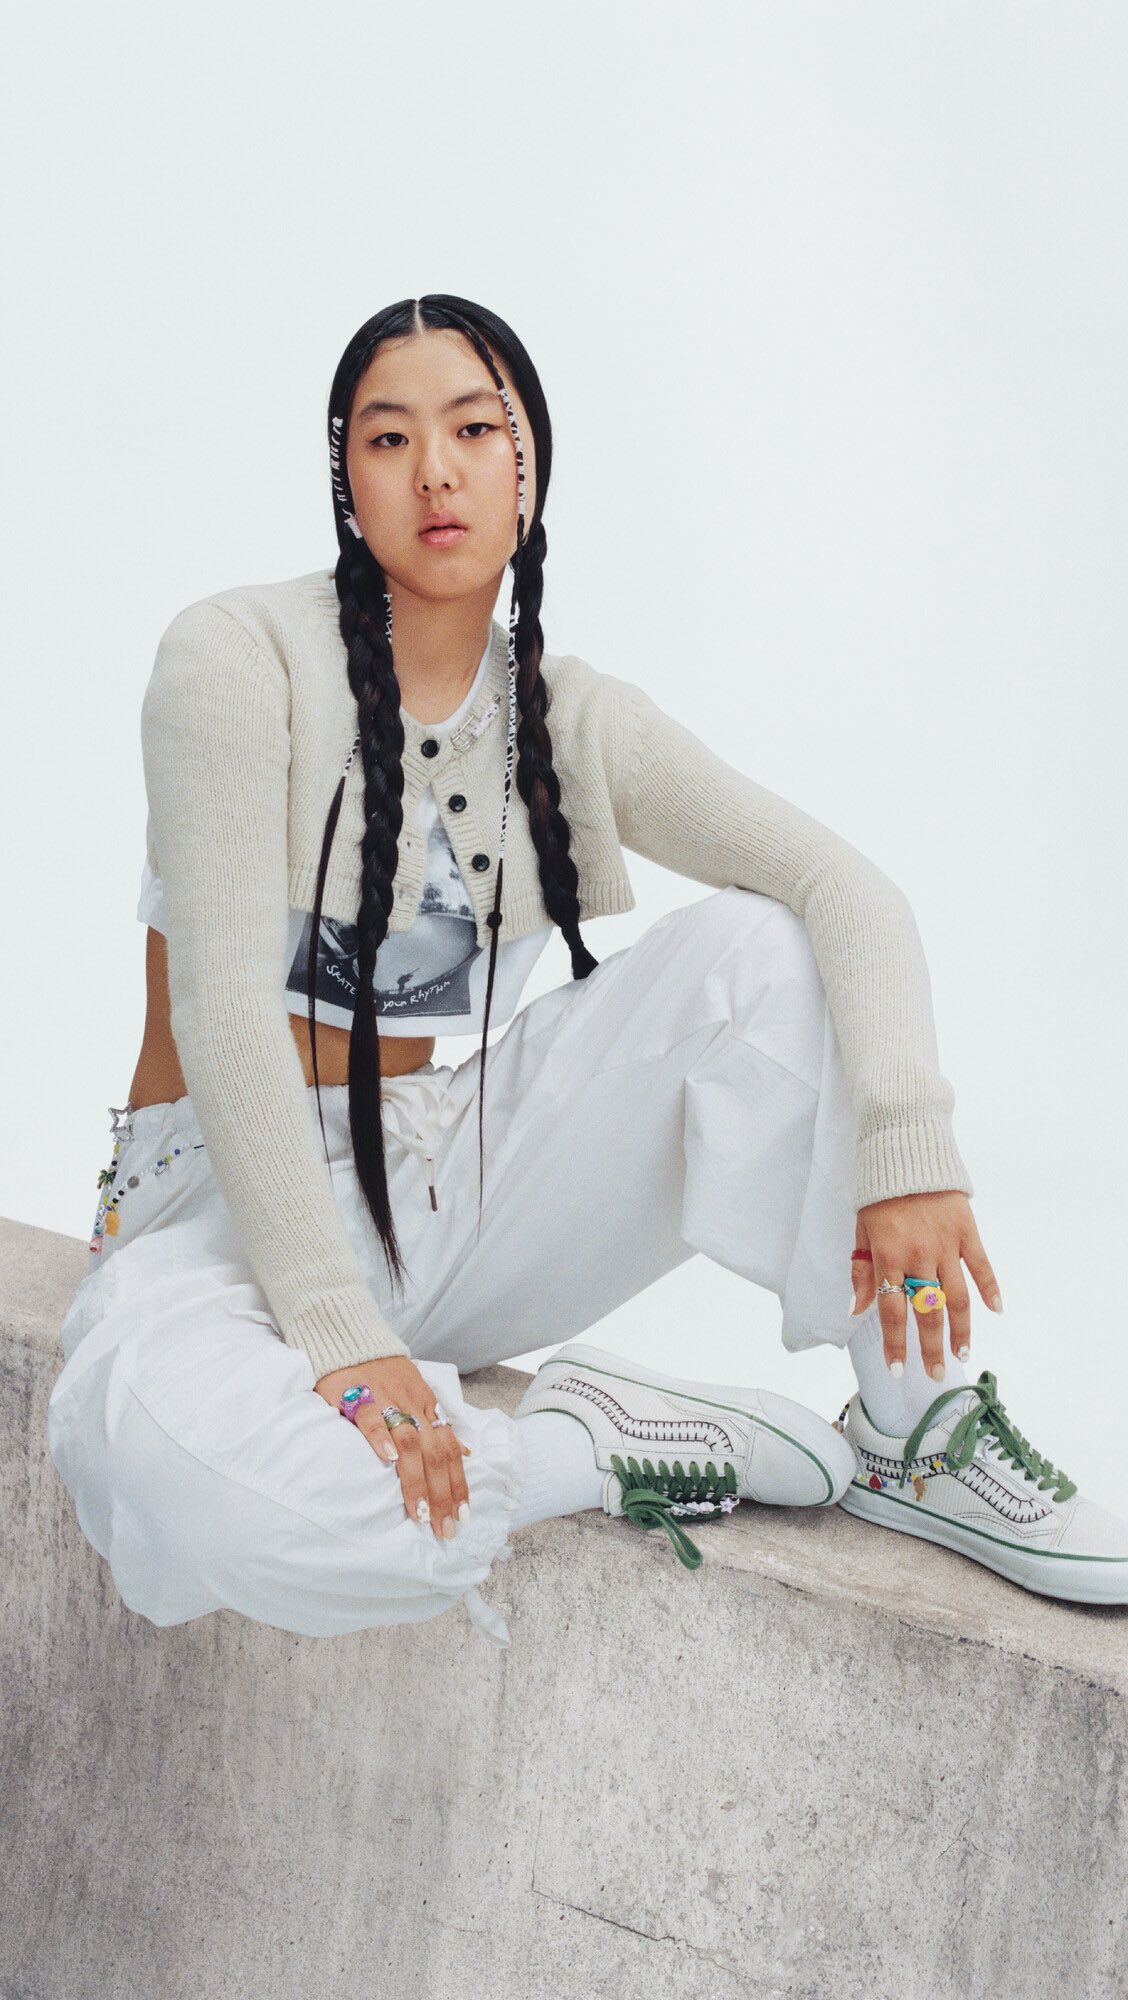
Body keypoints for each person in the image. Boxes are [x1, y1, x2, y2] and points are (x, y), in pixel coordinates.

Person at [46, 294, 1128, 1652]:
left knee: (765, 954)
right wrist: (341, 1336)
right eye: (389, 438)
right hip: (208, 1209)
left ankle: (916, 1430)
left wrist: (913, 1153)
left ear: (529, 466)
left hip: (431, 1190)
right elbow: (220, 1011)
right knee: (177, 1481)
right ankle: (584, 1443)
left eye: (472, 429)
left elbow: (847, 890)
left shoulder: (566, 718)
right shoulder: (234, 657)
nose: (436, 473)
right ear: (347, 481)